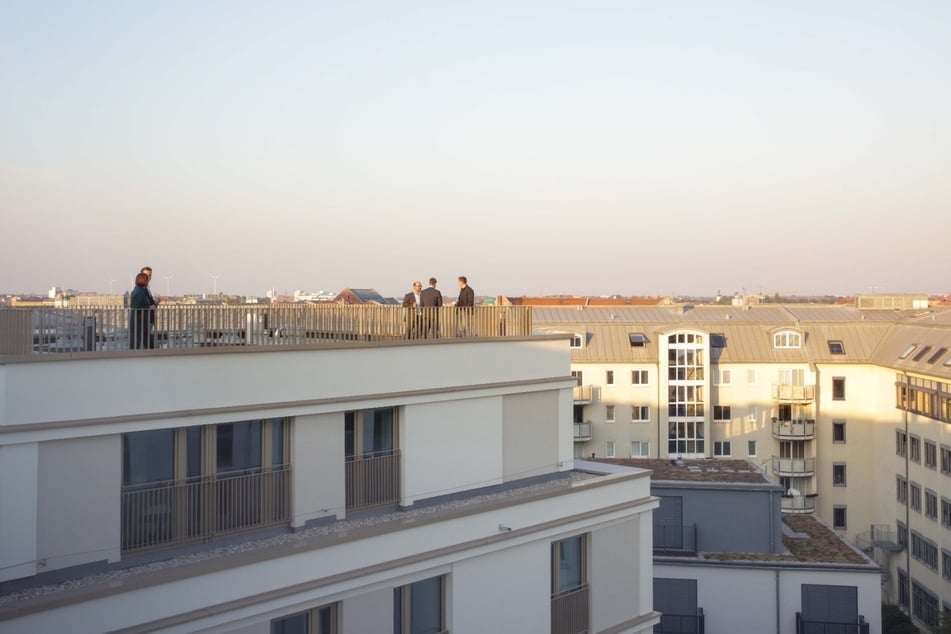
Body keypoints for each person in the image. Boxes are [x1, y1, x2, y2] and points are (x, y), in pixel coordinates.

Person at [129, 272, 152, 349]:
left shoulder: (139, 290)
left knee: (144, 339)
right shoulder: (139, 292)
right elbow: (135, 306)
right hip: (139, 320)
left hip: (141, 320)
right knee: (137, 340)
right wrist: (149, 307)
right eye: (147, 280)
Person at [140, 266, 159, 348]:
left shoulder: (147, 288)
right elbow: (141, 304)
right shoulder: (141, 289)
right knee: (147, 342)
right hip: (145, 320)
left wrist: (155, 303)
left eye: (150, 275)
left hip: (149, 319)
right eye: (146, 275)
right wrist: (153, 305)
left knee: (149, 341)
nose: (148, 277)